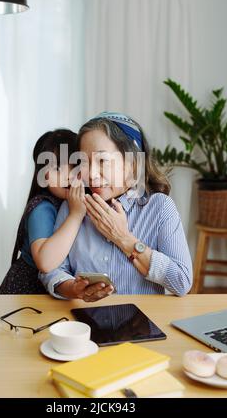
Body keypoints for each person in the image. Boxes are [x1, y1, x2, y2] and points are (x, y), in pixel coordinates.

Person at [39, 111, 193, 301]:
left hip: (142, 326)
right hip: (83, 324)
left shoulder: (160, 208)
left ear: (133, 164)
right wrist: (74, 289)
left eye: (102, 161)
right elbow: (52, 270)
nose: (92, 174)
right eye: (84, 162)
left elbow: (182, 281)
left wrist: (123, 238)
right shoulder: (74, 206)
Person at [0, 129, 86, 294]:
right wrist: (75, 215)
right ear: (44, 175)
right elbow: (45, 263)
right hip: (28, 293)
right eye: (58, 168)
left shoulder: (75, 201)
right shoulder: (42, 208)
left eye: (75, 165)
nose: (68, 175)